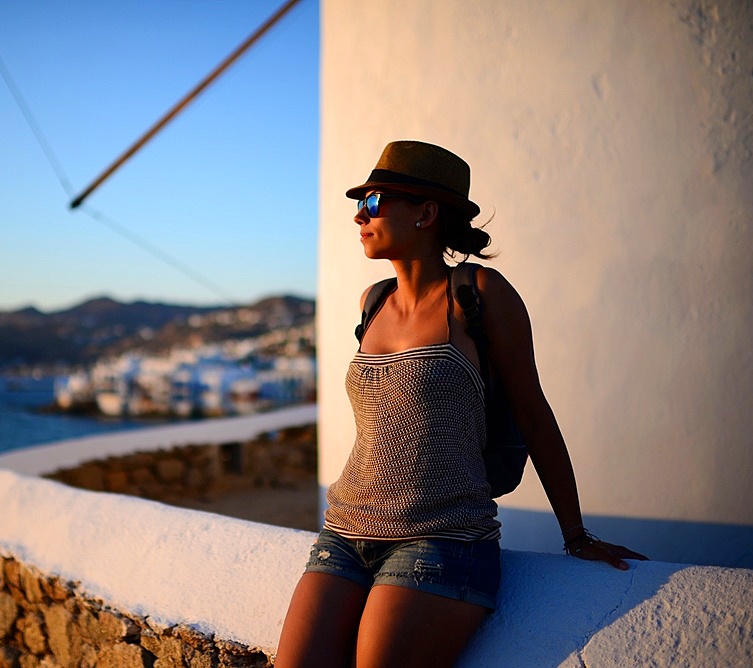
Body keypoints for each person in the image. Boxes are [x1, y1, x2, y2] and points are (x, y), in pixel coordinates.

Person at [275, 141, 647, 667]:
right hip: (343, 533)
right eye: (360, 203)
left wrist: (576, 534)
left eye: (376, 201)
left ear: (426, 213)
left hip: (441, 540)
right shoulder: (373, 301)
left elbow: (534, 414)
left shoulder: (478, 293)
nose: (360, 214)